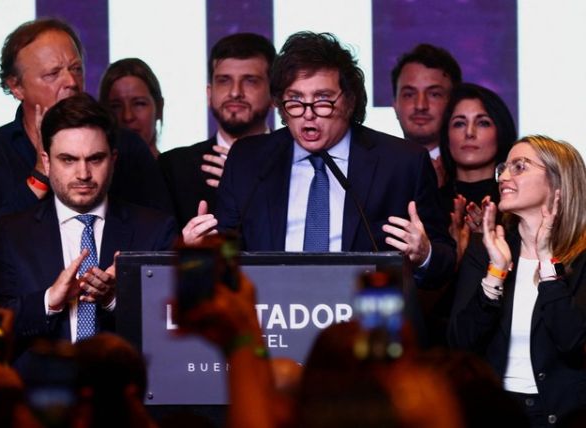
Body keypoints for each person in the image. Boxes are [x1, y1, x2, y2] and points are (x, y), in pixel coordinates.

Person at [183, 31, 455, 286]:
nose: (308, 114)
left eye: (323, 100)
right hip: (273, 320)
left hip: (364, 323)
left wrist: (425, 254)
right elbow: (231, 251)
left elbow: (443, 263)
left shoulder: (402, 163)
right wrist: (204, 251)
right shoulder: (248, 159)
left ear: (349, 101)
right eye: (295, 100)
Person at [0, 94, 177, 361]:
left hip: (124, 393)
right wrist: (49, 301)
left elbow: (173, 329)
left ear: (114, 159)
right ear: (47, 160)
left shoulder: (155, 230)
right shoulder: (11, 233)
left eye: (95, 159)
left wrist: (115, 299)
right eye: (68, 159)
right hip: (40, 395)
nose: (83, 174)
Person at [0, 18, 171, 244]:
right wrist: (38, 178)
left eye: (76, 69)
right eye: (53, 74)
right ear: (16, 87)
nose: (71, 82)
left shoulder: (127, 146)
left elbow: (161, 235)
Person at [449, 135, 586, 426]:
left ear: (558, 181)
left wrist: (549, 263)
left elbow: (575, 343)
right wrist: (495, 274)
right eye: (505, 168)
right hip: (496, 412)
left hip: (567, 416)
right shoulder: (485, 248)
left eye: (519, 167)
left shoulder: (582, 255)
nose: (504, 177)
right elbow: (460, 343)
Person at [158, 32, 275, 226]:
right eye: (224, 80)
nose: (235, 92)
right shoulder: (173, 168)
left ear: (274, 95)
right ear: (209, 93)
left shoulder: (295, 163)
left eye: (250, 80)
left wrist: (246, 187)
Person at [439, 83, 516, 263]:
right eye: (459, 123)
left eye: (483, 123)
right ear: (446, 135)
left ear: (500, 131)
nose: (469, 133)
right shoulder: (431, 202)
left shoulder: (514, 203)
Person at [391, 44, 462, 187]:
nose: (420, 105)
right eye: (409, 94)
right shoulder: (374, 170)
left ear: (454, 103)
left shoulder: (471, 170)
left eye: (434, 94)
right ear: (395, 105)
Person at [99, 58, 164, 158]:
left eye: (139, 104)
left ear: (159, 108)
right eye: (116, 106)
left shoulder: (177, 172)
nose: (127, 116)